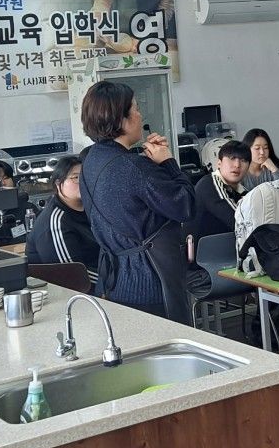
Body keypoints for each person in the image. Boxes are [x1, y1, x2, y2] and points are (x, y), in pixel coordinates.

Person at [78, 81, 202, 323]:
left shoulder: (91, 160)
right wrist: (168, 162)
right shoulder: (134, 167)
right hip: (149, 281)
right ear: (121, 120)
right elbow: (186, 205)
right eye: (136, 109)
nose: (140, 115)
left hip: (114, 280)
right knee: (165, 343)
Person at [26, 154, 101, 289]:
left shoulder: (90, 210)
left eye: (86, 177)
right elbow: (72, 274)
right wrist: (114, 283)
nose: (83, 182)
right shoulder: (56, 222)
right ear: (58, 183)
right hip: (70, 292)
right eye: (76, 178)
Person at [190, 140, 251, 242]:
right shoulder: (209, 184)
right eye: (232, 158)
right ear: (219, 163)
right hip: (204, 249)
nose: (237, 165)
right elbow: (236, 221)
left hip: (226, 245)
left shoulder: (242, 190)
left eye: (243, 160)